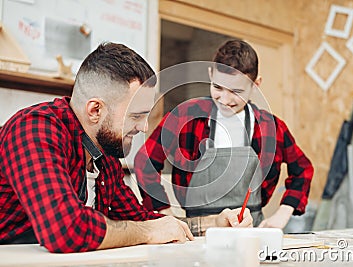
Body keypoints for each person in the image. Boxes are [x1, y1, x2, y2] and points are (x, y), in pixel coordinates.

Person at [0, 42, 251, 253]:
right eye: (135, 116)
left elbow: (141, 220)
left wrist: (215, 224)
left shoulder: (105, 154)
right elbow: (66, 230)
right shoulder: (33, 129)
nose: (143, 128)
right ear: (95, 110)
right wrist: (146, 232)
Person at [135, 40, 314, 230]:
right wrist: (163, 211)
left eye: (236, 92)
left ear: (256, 84)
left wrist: (283, 214)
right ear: (211, 74)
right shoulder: (185, 116)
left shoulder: (271, 127)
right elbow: (144, 162)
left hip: (251, 233)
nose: (225, 100)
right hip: (196, 232)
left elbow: (303, 169)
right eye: (218, 88)